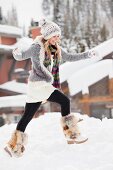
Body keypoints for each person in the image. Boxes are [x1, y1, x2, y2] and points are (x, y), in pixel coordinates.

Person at [4, 19, 97, 157]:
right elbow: (24, 55)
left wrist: (87, 54)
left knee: (27, 116)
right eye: (54, 36)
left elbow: (70, 57)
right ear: (47, 36)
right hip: (39, 85)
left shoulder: (56, 48)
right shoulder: (37, 47)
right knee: (65, 101)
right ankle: (71, 134)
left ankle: (12, 147)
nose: (57, 38)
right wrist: (16, 53)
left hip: (38, 87)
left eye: (58, 35)